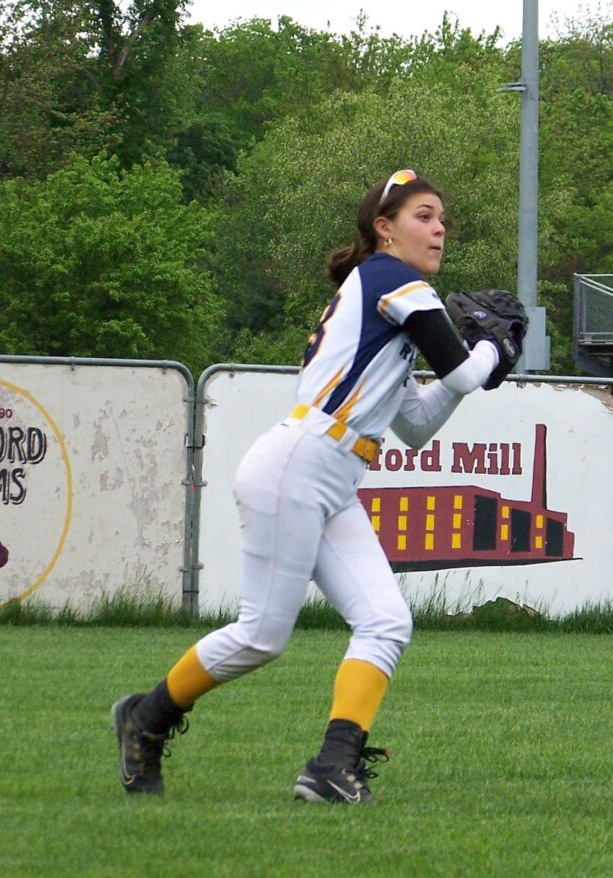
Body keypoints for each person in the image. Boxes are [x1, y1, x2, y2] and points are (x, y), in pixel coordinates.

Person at [112, 169, 511, 804]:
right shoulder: (391, 276)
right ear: (384, 228)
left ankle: (333, 766)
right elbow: (464, 374)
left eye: (442, 220)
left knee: (385, 621)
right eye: (424, 216)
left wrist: (484, 358)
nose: (438, 230)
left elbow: (415, 424)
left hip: (329, 474)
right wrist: (493, 352)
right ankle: (146, 718)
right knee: (262, 635)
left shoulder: (388, 304)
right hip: (300, 463)